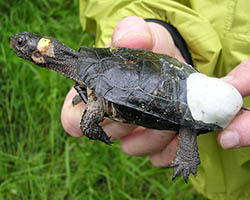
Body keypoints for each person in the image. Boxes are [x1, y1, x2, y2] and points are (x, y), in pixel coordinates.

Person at [61, 1, 250, 199]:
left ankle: (188, 159)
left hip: (186, 101)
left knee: (185, 123)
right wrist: (171, 34)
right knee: (185, 122)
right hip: (189, 90)